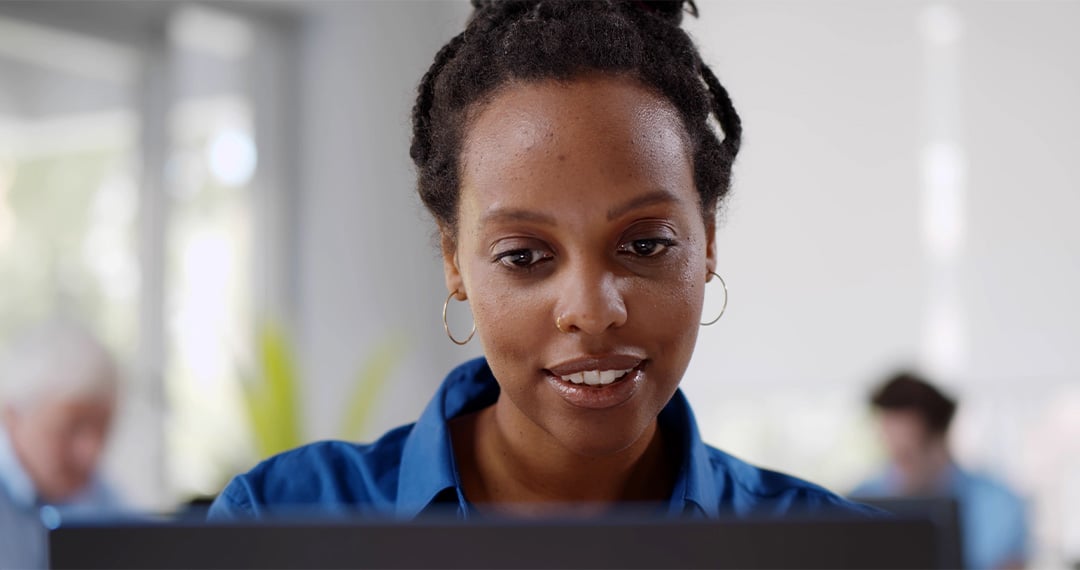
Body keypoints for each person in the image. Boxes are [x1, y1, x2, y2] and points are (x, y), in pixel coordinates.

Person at [210, 0, 872, 521]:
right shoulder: (280, 521)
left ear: (707, 243)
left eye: (646, 245)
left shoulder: (835, 549)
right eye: (524, 255)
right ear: (454, 261)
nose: (591, 311)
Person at [851, 371, 1029, 570]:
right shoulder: (858, 503)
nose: (900, 469)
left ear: (940, 438)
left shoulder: (999, 505)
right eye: (893, 453)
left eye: (908, 454)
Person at [0, 319, 123, 569]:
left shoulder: (108, 505)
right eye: (72, 427)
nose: (91, 451)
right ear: (12, 416)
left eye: (103, 427)